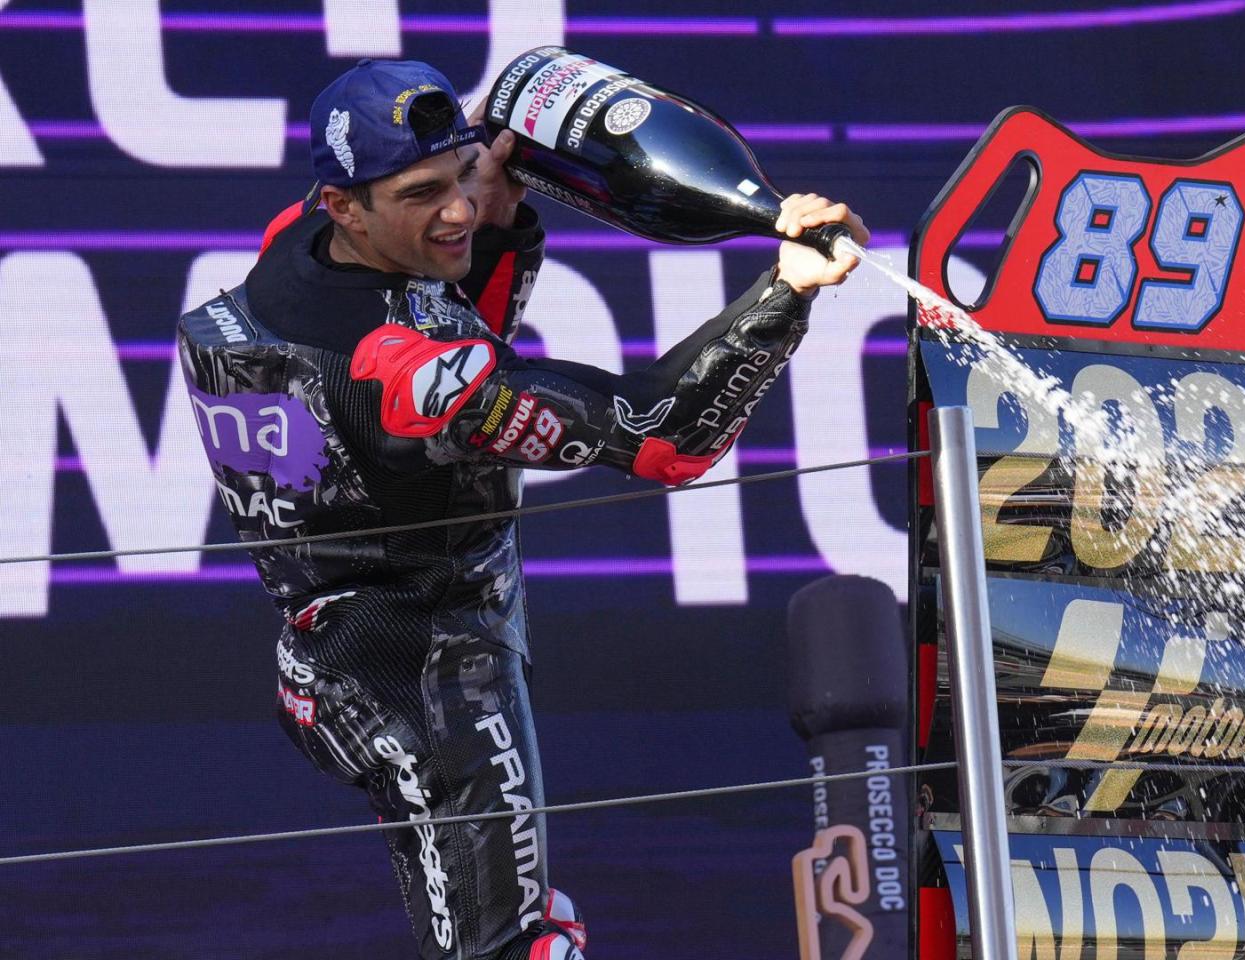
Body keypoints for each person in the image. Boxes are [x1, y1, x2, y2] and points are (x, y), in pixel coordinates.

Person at [176, 59, 867, 960]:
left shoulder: (295, 241)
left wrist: (492, 213)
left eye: (462, 172)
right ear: (347, 204)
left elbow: (445, 324)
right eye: (423, 193)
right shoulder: (411, 375)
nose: (456, 207)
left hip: (329, 643)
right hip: (425, 672)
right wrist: (788, 292)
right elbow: (668, 439)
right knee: (518, 950)